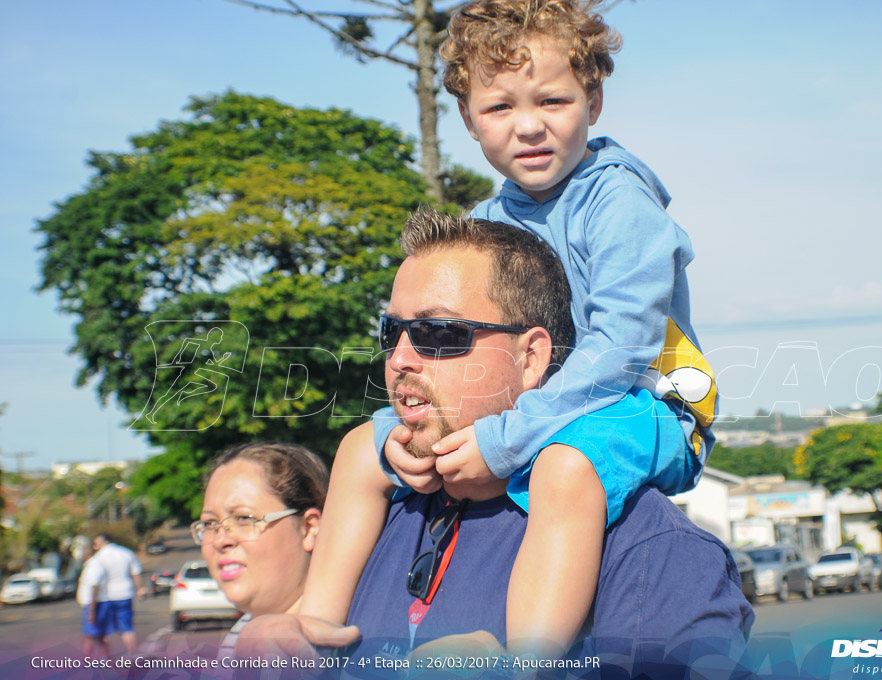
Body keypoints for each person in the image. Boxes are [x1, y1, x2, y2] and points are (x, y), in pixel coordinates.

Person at [303, 0, 719, 659]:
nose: (530, 127)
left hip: (647, 405)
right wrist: (419, 439)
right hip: (539, 411)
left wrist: (505, 439)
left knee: (565, 466)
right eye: (500, 109)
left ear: (595, 100)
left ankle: (526, 659)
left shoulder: (617, 200)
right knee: (363, 444)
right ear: (468, 119)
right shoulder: (488, 219)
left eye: (552, 100)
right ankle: (315, 620)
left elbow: (622, 348)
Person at [241, 210, 752, 678]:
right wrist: (277, 642)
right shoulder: (382, 505)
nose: (399, 359)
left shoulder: (651, 551)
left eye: (437, 332)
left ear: (532, 359)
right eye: (391, 330)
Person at [192, 441, 328, 659]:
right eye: (209, 524)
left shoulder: (352, 643)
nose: (220, 540)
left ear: (309, 528)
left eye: (244, 518)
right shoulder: (242, 633)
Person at [91, 533, 147, 656]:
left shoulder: (98, 558)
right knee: (127, 628)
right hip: (125, 593)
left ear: (100, 544)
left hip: (105, 596)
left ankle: (107, 659)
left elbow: (94, 580)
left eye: (95, 545)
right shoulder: (126, 552)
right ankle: (133, 655)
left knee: (105, 630)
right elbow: (135, 572)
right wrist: (140, 588)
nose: (94, 547)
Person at [77, 544, 110, 659]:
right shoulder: (90, 565)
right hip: (95, 604)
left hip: (95, 605)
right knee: (98, 635)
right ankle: (106, 661)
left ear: (88, 553)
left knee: (88, 636)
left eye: (82, 552)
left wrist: (91, 611)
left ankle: (88, 662)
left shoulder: (94, 566)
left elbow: (94, 587)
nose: (80, 555)